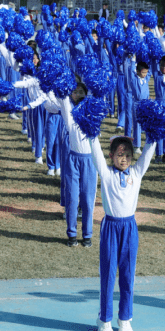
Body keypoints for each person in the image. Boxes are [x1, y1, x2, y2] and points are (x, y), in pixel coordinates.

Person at [90, 135, 155, 331]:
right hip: (110, 227)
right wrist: (92, 134)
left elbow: (147, 154)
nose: (124, 158)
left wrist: (153, 136)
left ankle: (125, 319)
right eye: (119, 155)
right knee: (108, 275)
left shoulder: (136, 172)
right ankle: (105, 320)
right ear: (111, 156)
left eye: (127, 155)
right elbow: (96, 154)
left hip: (129, 227)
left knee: (127, 276)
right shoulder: (106, 174)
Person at [56, 83, 97, 247]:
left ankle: (87, 235)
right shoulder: (69, 115)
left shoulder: (92, 112)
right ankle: (71, 234)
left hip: (89, 161)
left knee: (87, 200)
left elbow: (97, 95)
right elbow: (64, 100)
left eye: (81, 91)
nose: (77, 93)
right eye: (75, 91)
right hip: (72, 160)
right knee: (72, 198)